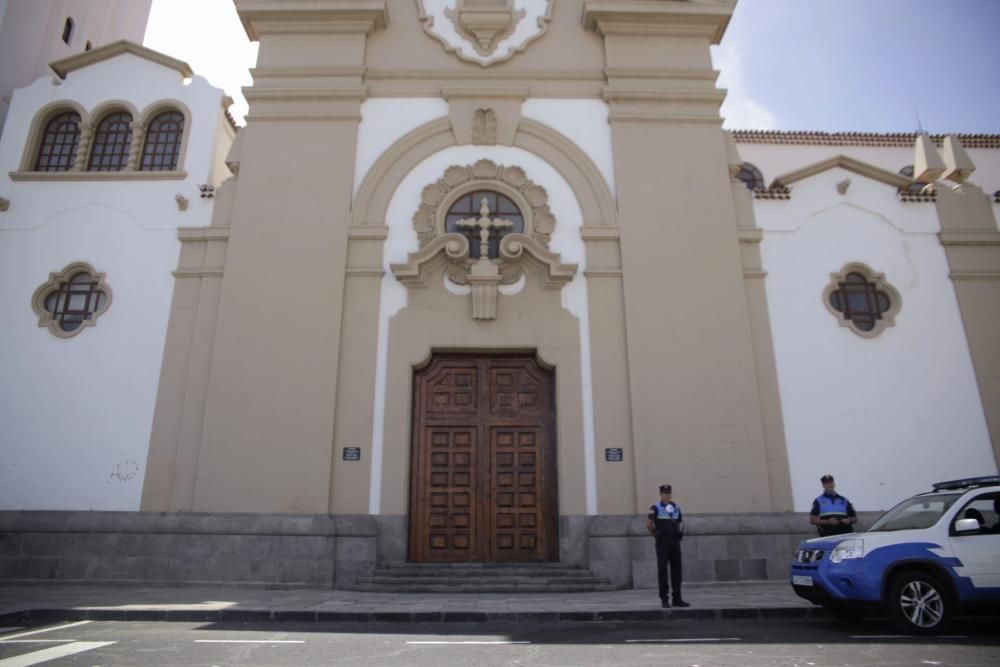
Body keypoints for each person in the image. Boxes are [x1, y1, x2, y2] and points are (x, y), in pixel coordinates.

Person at [646, 484, 690, 608]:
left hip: (675, 542)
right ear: (661, 494)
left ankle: (677, 598)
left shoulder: (676, 507)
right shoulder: (656, 507)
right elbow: (649, 524)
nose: (667, 495)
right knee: (663, 571)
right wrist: (656, 534)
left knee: (677, 571)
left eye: (669, 493)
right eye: (665, 493)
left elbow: (680, 522)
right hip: (663, 542)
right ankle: (664, 599)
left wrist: (681, 532)